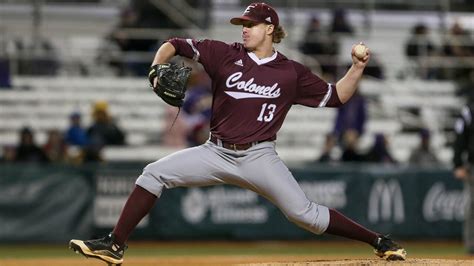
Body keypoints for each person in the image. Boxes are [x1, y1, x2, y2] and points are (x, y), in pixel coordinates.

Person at [69, 3, 406, 264]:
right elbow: (174, 43)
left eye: (250, 24)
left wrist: (357, 68)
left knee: (304, 215)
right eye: (242, 24)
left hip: (260, 155)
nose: (244, 29)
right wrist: (156, 67)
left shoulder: (290, 72)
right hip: (215, 151)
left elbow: (337, 97)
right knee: (153, 174)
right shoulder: (224, 54)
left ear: (269, 28)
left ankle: (378, 241)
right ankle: (115, 245)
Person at [452, 103, 474, 255]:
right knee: (472, 205)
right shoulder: (469, 110)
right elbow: (460, 136)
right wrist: (458, 163)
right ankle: (472, 244)